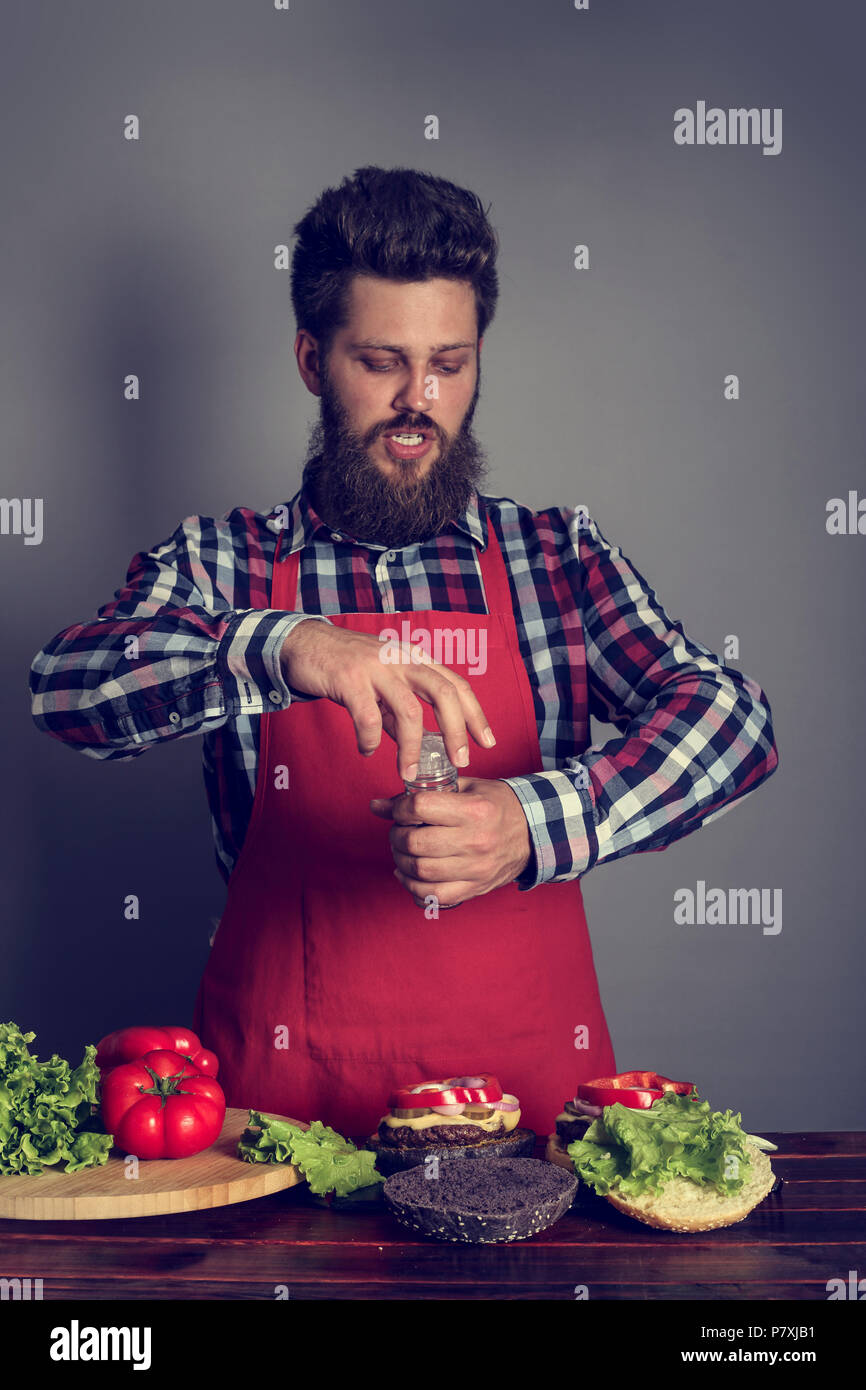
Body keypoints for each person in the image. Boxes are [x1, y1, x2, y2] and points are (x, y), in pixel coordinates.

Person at [29, 166, 779, 1139]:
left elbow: (734, 718)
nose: (418, 401)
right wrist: (284, 642)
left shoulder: (555, 557)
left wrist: (537, 819)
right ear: (311, 359)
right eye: (380, 362)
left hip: (530, 1126)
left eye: (450, 363)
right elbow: (66, 688)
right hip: (280, 1127)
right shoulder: (224, 563)